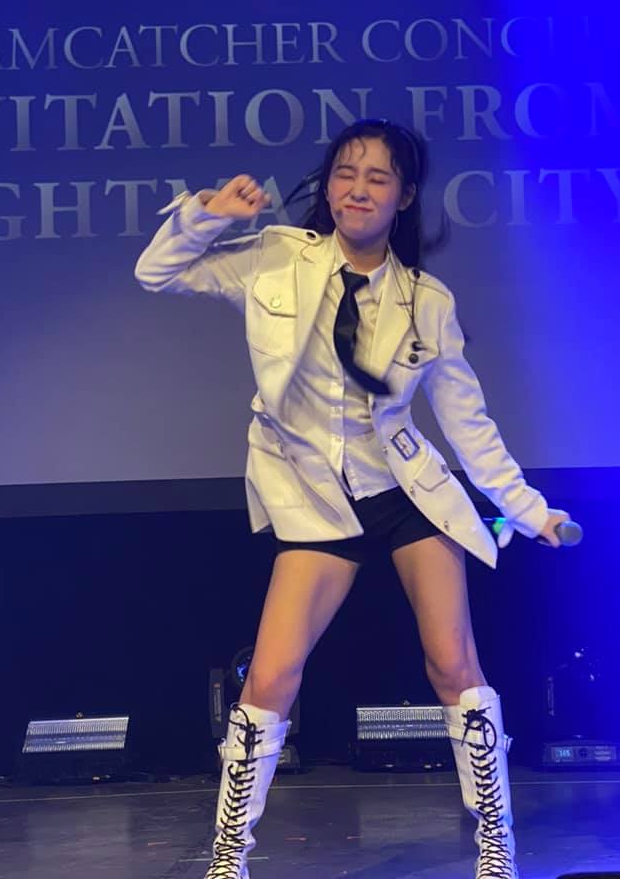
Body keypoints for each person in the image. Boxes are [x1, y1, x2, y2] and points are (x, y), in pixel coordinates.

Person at [134, 119, 570, 879]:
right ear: (328, 186)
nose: (357, 189)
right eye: (345, 173)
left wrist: (531, 510)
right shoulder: (275, 258)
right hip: (313, 497)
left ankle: (495, 842)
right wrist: (207, 213)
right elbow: (156, 273)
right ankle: (229, 855)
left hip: (404, 494)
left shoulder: (426, 301)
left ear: (404, 195)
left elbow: (467, 423)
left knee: (453, 667)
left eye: (377, 177)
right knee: (271, 677)